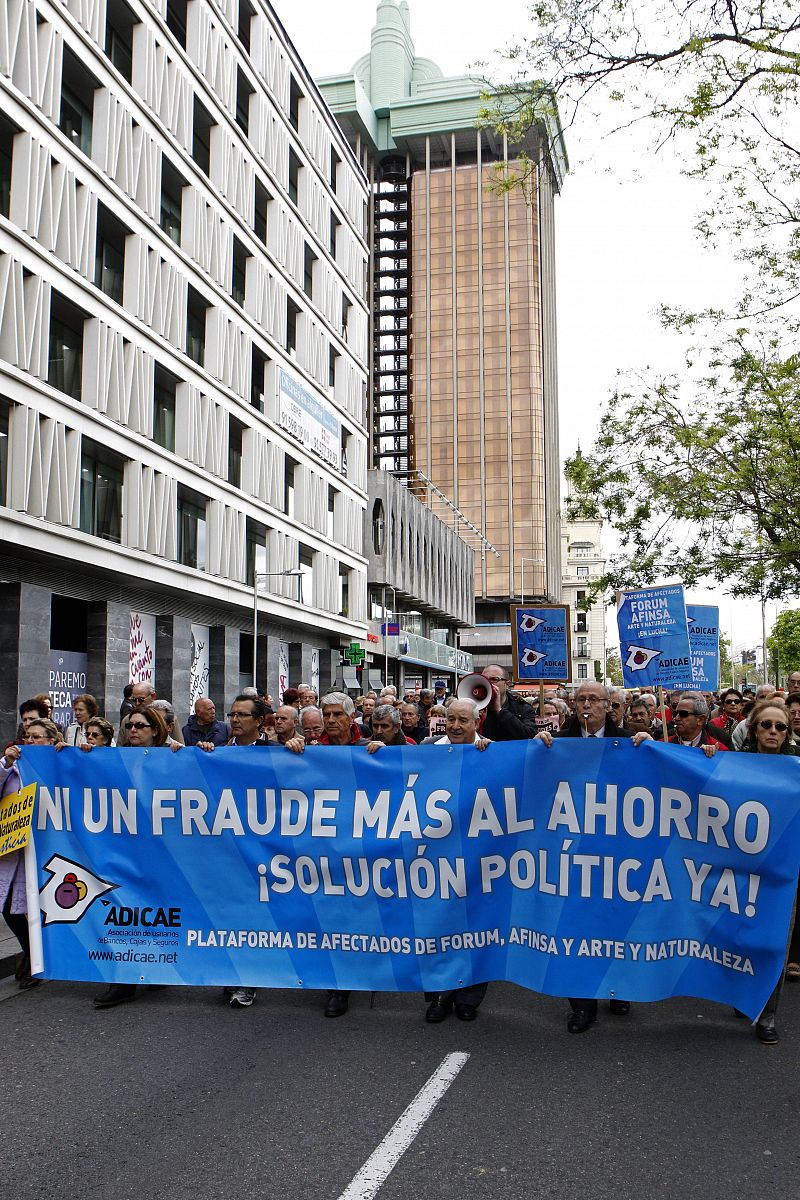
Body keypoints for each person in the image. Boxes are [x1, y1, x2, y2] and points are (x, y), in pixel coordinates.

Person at [536, 682, 652, 1033]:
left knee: (613, 922)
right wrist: (537, 750)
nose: (587, 705)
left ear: (610, 705)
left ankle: (619, 988)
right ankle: (582, 1004)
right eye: (581, 700)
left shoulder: (630, 738)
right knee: (575, 925)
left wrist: (651, 748)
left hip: (616, 851)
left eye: (594, 700)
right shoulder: (557, 740)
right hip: (570, 848)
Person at [284, 692, 373, 1017]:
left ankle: (356, 975)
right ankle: (337, 986)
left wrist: (385, 755)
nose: (332, 720)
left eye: (338, 714)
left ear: (351, 718)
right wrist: (290, 751)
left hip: (362, 850)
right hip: (321, 850)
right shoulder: (310, 751)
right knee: (329, 916)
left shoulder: (368, 750)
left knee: (355, 916)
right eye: (327, 714)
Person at [93, 706, 171, 1010]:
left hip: (160, 853)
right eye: (129, 725)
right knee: (126, 911)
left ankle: (156, 967)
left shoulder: (174, 758)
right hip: (124, 851)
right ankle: (123, 981)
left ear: (155, 729)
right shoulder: (113, 759)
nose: (133, 730)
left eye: (140, 725)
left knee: (156, 912)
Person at [419, 698, 490, 1022]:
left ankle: (469, 997)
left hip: (480, 856)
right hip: (436, 855)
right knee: (439, 923)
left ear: (477, 722)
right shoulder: (428, 747)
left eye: (463, 720)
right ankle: (439, 994)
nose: (456, 726)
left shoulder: (491, 752)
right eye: (451, 719)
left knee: (476, 925)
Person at [739, 698, 799, 1043]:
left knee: (775, 942)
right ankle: (742, 994)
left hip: (783, 873)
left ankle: (768, 1015)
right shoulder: (734, 765)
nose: (773, 731)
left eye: (780, 726)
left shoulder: (797, 768)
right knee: (739, 935)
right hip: (740, 869)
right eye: (766, 725)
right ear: (753, 730)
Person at [480, 665, 537, 740]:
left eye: (494, 679)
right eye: (484, 679)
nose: (488, 683)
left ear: (507, 684)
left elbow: (529, 736)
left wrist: (500, 711)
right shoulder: (476, 708)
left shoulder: (523, 708)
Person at [117, 680, 157, 745]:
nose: (137, 703)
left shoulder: (163, 717)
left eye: (141, 699)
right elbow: (120, 747)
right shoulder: (127, 720)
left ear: (153, 696)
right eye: (134, 700)